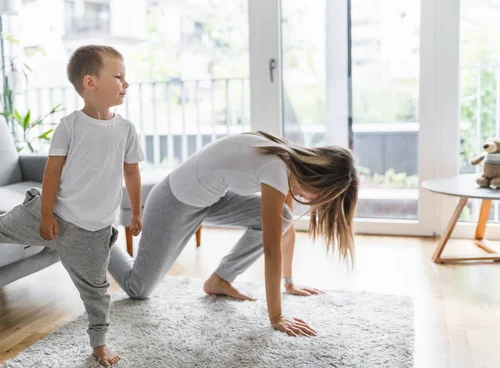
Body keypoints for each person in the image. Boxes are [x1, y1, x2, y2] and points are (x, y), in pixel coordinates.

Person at [0, 45, 144, 367]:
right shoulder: (70, 125)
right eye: (119, 77)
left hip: (92, 231)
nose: (126, 83)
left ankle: (99, 344)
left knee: (96, 291)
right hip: (52, 214)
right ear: (91, 83)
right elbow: (52, 172)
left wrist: (136, 211)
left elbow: (131, 171)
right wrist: (46, 214)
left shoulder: (126, 129)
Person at [108, 131, 357, 337]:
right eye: (320, 194)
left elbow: (286, 229)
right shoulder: (277, 169)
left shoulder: (287, 161)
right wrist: (277, 317)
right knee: (138, 288)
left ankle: (220, 280)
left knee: (283, 216)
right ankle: (98, 236)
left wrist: (289, 283)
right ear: (318, 176)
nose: (312, 200)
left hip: (210, 200)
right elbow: (271, 249)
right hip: (173, 202)